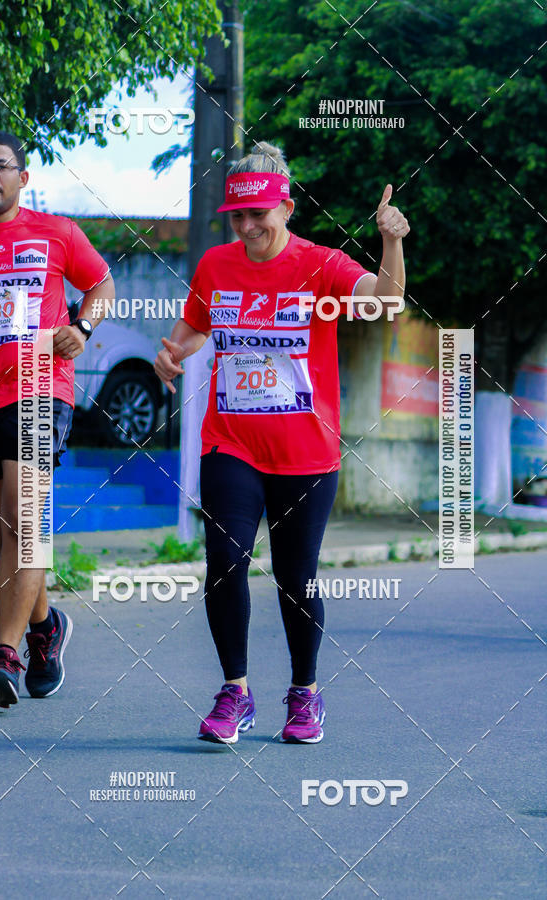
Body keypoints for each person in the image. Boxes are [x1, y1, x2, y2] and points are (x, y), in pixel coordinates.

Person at [155, 141, 409, 744]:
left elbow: (387, 301)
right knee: (225, 562)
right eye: (237, 217)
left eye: (258, 215)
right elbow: (195, 325)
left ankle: (304, 693)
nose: (248, 227)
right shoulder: (216, 265)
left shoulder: (321, 265)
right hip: (231, 442)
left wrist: (391, 242)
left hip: (306, 453)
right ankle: (235, 692)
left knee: (296, 580)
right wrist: (173, 353)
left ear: (286, 208)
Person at [0, 129, 115, 707]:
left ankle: (5, 657)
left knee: (24, 525)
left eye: (1, 166)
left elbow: (102, 283)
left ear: (24, 177)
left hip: (39, 389)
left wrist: (82, 326)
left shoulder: (57, 232)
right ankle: (46, 626)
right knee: (10, 538)